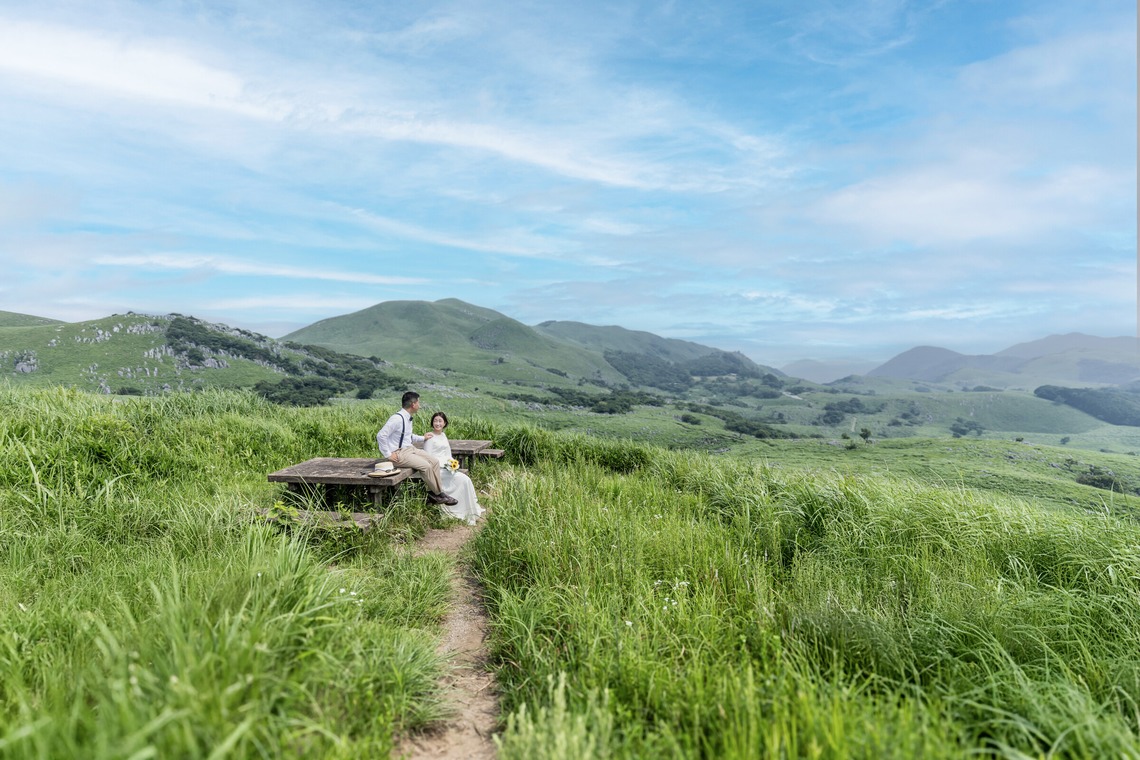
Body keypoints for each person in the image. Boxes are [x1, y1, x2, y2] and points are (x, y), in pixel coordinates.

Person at [376, 391, 457, 507]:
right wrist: (388, 454)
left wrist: (422, 438)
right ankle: (439, 494)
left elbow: (407, 436)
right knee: (426, 466)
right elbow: (381, 435)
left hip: (410, 448)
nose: (419, 405)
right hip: (400, 453)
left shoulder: (407, 418)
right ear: (413, 404)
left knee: (434, 462)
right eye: (418, 402)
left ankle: (433, 494)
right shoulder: (396, 419)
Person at [423, 411, 485, 525]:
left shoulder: (443, 435)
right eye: (435, 421)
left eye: (440, 421)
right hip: (436, 470)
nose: (437, 423)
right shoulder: (430, 437)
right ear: (432, 423)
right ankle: (456, 509)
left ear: (445, 423)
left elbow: (447, 453)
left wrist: (452, 464)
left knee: (466, 479)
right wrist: (442, 465)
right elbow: (428, 458)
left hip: (446, 468)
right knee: (463, 479)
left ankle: (468, 509)